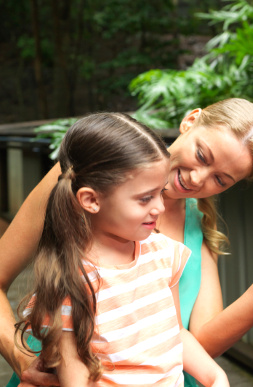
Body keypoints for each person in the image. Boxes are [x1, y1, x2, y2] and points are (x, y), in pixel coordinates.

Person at [0, 98, 253, 386]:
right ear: (190, 121)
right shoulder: (90, 171)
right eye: (202, 155)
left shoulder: (193, 230)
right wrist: (21, 359)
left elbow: (189, 340)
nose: (197, 179)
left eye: (220, 180)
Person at [14, 112, 229, 386]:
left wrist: (215, 375)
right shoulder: (70, 281)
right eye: (144, 199)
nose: (160, 208)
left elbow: (173, 331)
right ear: (91, 200)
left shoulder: (164, 253)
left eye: (159, 192)